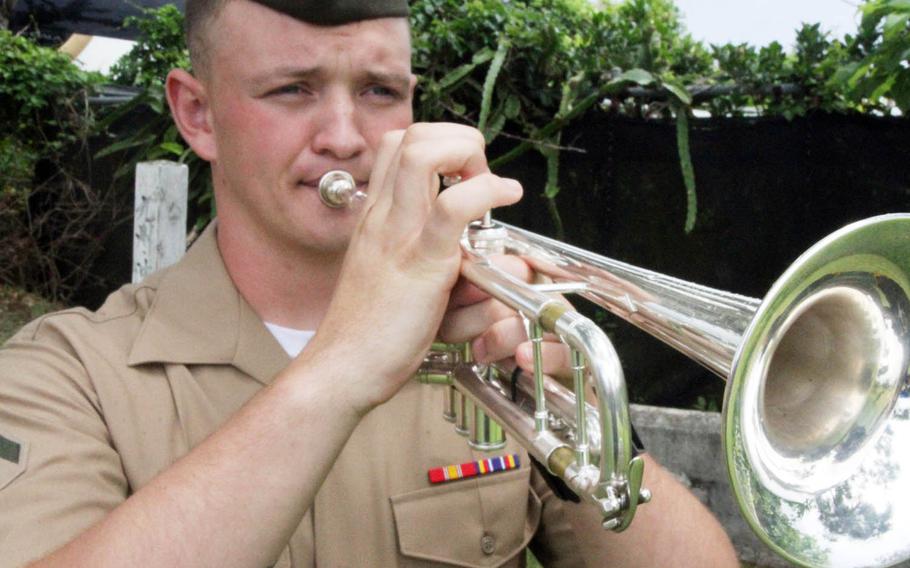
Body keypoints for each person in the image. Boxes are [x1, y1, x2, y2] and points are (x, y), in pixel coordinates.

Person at [0, 1, 740, 566]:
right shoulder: (66, 375)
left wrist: (582, 418)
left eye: (380, 91)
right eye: (293, 89)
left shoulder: (482, 350)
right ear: (198, 114)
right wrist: (346, 361)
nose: (346, 138)